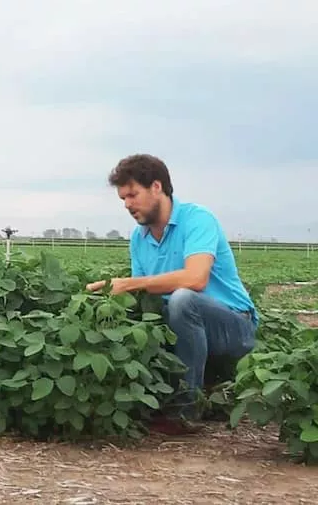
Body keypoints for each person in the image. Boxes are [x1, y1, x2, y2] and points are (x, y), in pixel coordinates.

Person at [86, 154, 257, 429]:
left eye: (132, 195)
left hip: (234, 328)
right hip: (183, 326)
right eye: (123, 199)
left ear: (156, 187)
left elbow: (196, 278)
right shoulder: (138, 237)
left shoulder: (197, 219)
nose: (128, 205)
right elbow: (145, 300)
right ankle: (143, 400)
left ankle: (186, 409)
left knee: (182, 298)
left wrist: (128, 283)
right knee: (144, 312)